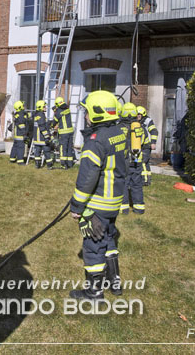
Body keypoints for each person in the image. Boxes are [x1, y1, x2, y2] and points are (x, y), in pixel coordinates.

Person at [69, 91, 128, 301]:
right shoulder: (120, 133)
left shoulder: (95, 141)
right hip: (114, 201)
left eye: (87, 112)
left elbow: (87, 179)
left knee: (93, 245)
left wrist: (76, 206)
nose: (85, 116)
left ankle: (94, 292)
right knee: (108, 239)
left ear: (97, 114)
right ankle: (115, 282)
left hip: (98, 203)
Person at [119, 103, 145, 215]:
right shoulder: (139, 127)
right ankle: (139, 208)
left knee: (123, 182)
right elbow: (142, 141)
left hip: (124, 160)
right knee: (137, 184)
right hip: (137, 160)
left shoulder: (119, 127)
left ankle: (124, 208)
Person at [52, 96, 75, 169]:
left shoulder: (58, 111)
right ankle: (70, 164)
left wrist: (52, 125)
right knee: (69, 147)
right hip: (70, 131)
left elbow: (54, 122)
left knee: (63, 148)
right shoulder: (67, 109)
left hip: (63, 132)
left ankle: (63, 164)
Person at [137, 105, 158, 186]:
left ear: (143, 115)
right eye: (137, 114)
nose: (138, 116)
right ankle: (148, 179)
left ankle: (144, 181)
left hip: (146, 146)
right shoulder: (135, 121)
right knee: (146, 163)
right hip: (140, 145)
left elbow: (154, 131)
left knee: (142, 162)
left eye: (140, 114)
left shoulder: (147, 121)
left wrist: (153, 142)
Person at [31, 100, 54, 169]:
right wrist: (47, 137)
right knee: (47, 151)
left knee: (37, 152)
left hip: (37, 138)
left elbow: (42, 124)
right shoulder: (41, 115)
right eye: (44, 106)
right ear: (41, 107)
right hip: (42, 138)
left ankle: (37, 165)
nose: (46, 108)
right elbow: (42, 127)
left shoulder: (36, 114)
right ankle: (49, 165)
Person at [7, 100, 29, 164]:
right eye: (23, 105)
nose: (24, 106)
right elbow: (22, 125)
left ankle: (12, 159)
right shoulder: (21, 114)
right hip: (20, 134)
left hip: (16, 134)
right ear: (20, 107)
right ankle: (20, 161)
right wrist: (24, 134)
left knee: (15, 147)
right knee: (20, 148)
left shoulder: (17, 114)